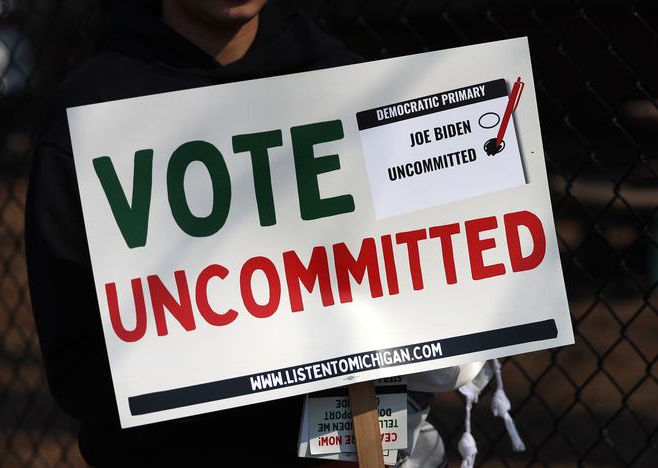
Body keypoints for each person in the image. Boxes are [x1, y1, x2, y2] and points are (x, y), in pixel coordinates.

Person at [27, 1, 506, 466]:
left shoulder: (354, 90)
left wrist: (363, 439)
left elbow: (416, 316)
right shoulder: (92, 114)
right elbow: (78, 371)